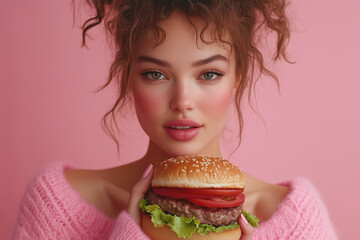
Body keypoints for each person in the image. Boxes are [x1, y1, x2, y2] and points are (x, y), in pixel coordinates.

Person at [12, 0, 337, 239]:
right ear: (129, 77)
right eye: (155, 74)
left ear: (237, 77)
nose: (182, 101)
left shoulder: (296, 221)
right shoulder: (57, 205)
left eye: (209, 74)